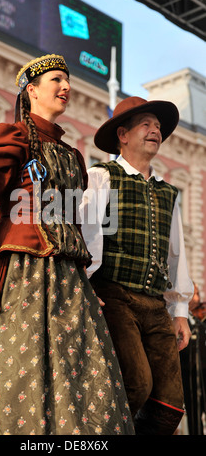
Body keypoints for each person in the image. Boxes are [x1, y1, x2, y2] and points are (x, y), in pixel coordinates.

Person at [0, 54, 134, 436]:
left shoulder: (73, 156)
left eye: (68, 80)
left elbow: (72, 227)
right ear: (32, 90)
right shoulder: (13, 137)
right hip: (21, 274)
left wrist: (85, 282)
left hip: (70, 284)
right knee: (21, 376)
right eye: (57, 79)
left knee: (85, 380)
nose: (66, 87)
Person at [80, 96, 194, 435]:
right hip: (114, 295)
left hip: (155, 304)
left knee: (172, 403)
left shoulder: (168, 193)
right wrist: (84, 287)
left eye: (158, 127)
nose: (155, 130)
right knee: (136, 383)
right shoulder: (101, 177)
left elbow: (176, 255)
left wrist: (180, 311)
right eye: (146, 123)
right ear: (123, 135)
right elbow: (85, 235)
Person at [180, 284, 206, 434]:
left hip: (201, 371)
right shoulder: (182, 320)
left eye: (197, 294)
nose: (197, 298)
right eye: (193, 293)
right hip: (187, 372)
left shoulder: (199, 324)